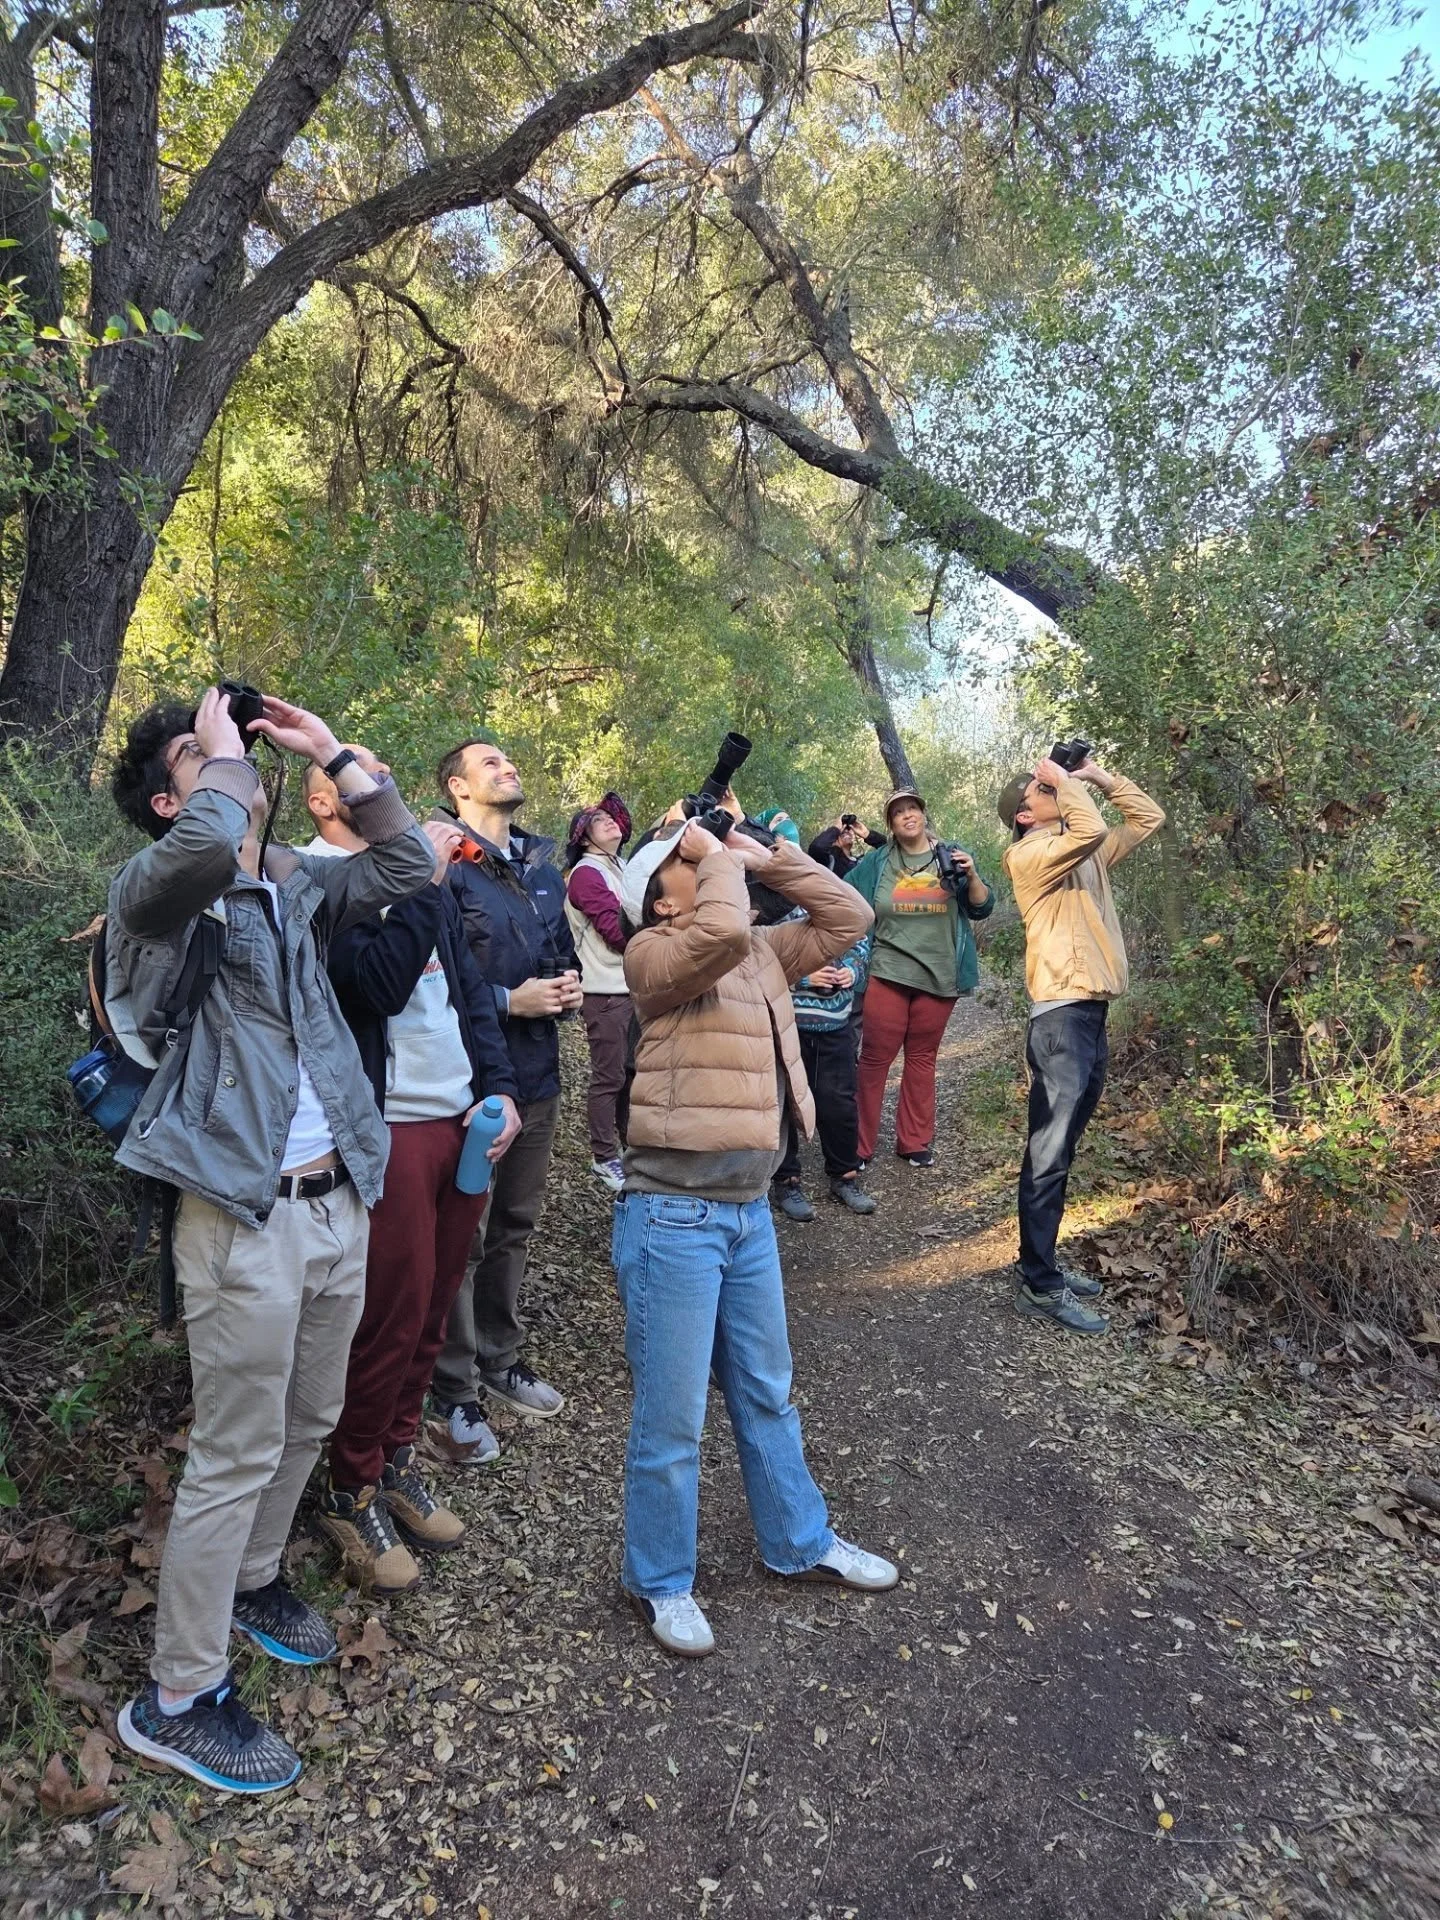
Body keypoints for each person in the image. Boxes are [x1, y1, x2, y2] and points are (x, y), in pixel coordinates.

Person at [107, 690, 433, 1795]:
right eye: (205, 763)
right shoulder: (154, 899)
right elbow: (203, 841)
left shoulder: (289, 882)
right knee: (233, 1453)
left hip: (337, 1197)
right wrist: (218, 765)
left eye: (239, 758)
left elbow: (408, 870)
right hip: (239, 1219)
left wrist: (334, 752)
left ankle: (253, 1580)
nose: (241, 767)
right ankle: (179, 1696)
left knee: (314, 1413)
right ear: (170, 798)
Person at [613, 809, 899, 1659]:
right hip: (672, 1216)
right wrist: (711, 858)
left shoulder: (761, 955)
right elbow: (725, 925)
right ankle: (662, 1580)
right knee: (670, 1422)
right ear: (661, 904)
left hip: (746, 1215)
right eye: (680, 864)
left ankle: (799, 1542)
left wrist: (759, 852)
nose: (697, 864)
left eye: (696, 857)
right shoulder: (656, 958)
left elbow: (850, 919)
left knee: (767, 1392)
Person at [301, 754, 522, 1592]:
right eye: (366, 783)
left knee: (435, 1307)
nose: (385, 791)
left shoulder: (436, 884)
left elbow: (470, 996)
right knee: (391, 1314)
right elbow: (381, 989)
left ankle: (394, 1457)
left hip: (461, 1124)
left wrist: (499, 1091)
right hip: (387, 1129)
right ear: (327, 801)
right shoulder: (319, 882)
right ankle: (348, 1484)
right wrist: (424, 879)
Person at [427, 736, 580, 1460]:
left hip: (539, 1076)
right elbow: (432, 982)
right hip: (469, 1083)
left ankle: (500, 1357)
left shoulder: (541, 869)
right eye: (489, 763)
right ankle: (452, 1388)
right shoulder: (444, 866)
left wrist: (565, 988)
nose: (507, 766)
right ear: (458, 788)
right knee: (464, 1234)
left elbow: (559, 957)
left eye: (509, 759)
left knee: (514, 1224)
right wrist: (507, 1000)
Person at [997, 753, 1165, 1334]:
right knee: (1048, 1150)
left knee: (1061, 1148)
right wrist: (1066, 781)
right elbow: (1090, 827)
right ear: (1024, 815)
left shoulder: (1082, 854)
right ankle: (1038, 1285)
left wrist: (1098, 777)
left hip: (1089, 1012)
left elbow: (1147, 819)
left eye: (1052, 786)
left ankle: (1041, 1265)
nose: (1053, 790)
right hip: (1061, 1015)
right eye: (1042, 789)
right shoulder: (1027, 855)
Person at [846, 789, 994, 1168]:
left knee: (922, 1058)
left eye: (913, 808)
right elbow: (844, 894)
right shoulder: (878, 862)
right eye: (898, 813)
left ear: (924, 815)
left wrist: (972, 873)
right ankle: (858, 1146)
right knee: (875, 1059)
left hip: (940, 974)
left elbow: (981, 906)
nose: (907, 815)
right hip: (888, 971)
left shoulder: (950, 855)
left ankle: (914, 1142)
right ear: (891, 825)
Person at [771, 921, 878, 1219]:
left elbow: (859, 940)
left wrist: (852, 971)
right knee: (785, 1103)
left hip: (836, 1025)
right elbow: (761, 956)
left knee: (839, 1104)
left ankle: (845, 1176)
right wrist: (801, 977)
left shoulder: (836, 902)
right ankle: (786, 1180)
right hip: (788, 1027)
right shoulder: (780, 908)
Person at [563, 792, 634, 1195]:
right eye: (598, 821)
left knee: (629, 1075)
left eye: (612, 818)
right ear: (584, 838)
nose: (610, 821)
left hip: (629, 987)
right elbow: (616, 932)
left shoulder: (619, 865)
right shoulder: (589, 873)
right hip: (605, 991)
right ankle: (604, 1155)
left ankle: (626, 1147)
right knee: (609, 1076)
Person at [808, 815, 885, 880]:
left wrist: (867, 834)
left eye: (849, 829)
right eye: (843, 829)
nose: (846, 831)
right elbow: (817, 847)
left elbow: (890, 850)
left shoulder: (862, 862)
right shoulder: (828, 859)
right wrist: (836, 829)